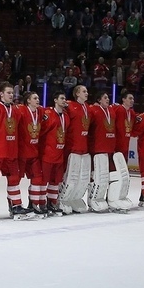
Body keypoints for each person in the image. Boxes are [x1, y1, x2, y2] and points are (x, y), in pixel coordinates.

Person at [0, 82, 33, 220]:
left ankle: (16, 205)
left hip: (11, 151)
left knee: (14, 179)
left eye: (12, 93)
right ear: (1, 94)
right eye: (8, 93)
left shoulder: (16, 110)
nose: (11, 95)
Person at [60, 85, 91, 214]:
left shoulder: (88, 108)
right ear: (77, 93)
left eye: (87, 91)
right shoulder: (69, 106)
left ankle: (74, 198)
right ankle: (62, 198)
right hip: (72, 147)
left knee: (82, 178)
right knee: (70, 176)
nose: (86, 93)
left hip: (84, 148)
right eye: (84, 91)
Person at [38, 91, 70, 215]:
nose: (64, 101)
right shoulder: (48, 114)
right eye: (62, 98)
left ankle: (52, 202)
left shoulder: (66, 116)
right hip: (48, 152)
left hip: (59, 153)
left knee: (55, 181)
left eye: (65, 98)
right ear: (55, 100)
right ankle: (41, 203)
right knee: (44, 180)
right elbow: (41, 133)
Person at [16, 91, 46, 216]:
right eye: (35, 98)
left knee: (37, 178)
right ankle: (14, 205)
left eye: (38, 98)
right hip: (21, 153)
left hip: (34, 153)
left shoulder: (41, 112)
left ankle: (33, 204)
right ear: (28, 101)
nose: (38, 100)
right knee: (15, 180)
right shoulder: (21, 111)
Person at [87, 92, 117, 212]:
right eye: (105, 97)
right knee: (96, 176)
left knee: (105, 176)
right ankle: (92, 200)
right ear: (99, 100)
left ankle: (103, 198)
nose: (108, 99)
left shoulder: (111, 110)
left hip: (109, 148)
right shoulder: (93, 110)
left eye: (108, 97)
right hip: (97, 148)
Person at [112, 89, 135, 162]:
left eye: (133, 99)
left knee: (124, 160)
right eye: (130, 98)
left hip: (126, 141)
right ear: (123, 99)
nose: (132, 100)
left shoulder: (131, 112)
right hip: (117, 141)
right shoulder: (119, 109)